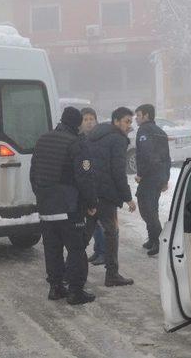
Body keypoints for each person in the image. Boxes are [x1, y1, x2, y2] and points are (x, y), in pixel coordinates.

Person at [30, 107, 98, 305]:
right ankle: (76, 292)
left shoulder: (42, 140)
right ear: (77, 124)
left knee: (52, 249)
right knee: (76, 250)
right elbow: (84, 178)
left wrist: (42, 195)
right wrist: (91, 202)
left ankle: (56, 287)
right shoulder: (76, 144)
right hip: (69, 207)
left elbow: (33, 174)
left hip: (46, 207)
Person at [85, 107, 137, 287]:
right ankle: (112, 274)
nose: (129, 125)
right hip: (106, 195)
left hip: (91, 192)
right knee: (112, 232)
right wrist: (128, 197)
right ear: (116, 121)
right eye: (126, 121)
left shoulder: (93, 135)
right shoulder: (117, 139)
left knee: (84, 233)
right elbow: (118, 171)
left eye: (131, 122)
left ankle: (69, 270)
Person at [134, 104, 171, 257]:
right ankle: (152, 239)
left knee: (146, 208)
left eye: (138, 115)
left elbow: (147, 154)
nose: (136, 118)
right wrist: (165, 178)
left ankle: (159, 241)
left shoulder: (144, 130)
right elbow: (167, 157)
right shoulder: (161, 132)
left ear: (147, 116)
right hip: (160, 175)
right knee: (152, 208)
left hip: (150, 176)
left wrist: (141, 174)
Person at [80, 107, 105, 266]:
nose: (89, 122)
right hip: (89, 185)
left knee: (101, 221)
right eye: (86, 119)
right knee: (93, 222)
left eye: (91, 119)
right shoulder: (80, 138)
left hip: (100, 185)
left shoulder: (100, 138)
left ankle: (104, 252)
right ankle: (98, 250)